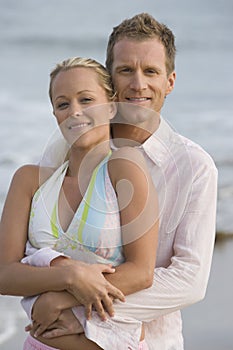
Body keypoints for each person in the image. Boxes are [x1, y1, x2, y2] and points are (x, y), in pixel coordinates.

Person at [25, 13, 218, 350]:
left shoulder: (194, 167)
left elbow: (189, 280)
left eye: (151, 72)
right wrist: (61, 284)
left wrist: (81, 311)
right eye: (126, 70)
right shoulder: (68, 150)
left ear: (170, 82)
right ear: (109, 80)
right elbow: (38, 242)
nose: (138, 84)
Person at [0, 57, 159, 350]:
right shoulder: (29, 181)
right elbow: (5, 275)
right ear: (55, 114)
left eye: (86, 100)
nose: (75, 112)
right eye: (63, 105)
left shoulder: (124, 168)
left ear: (111, 106)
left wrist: (62, 297)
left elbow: (141, 271)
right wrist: (69, 275)